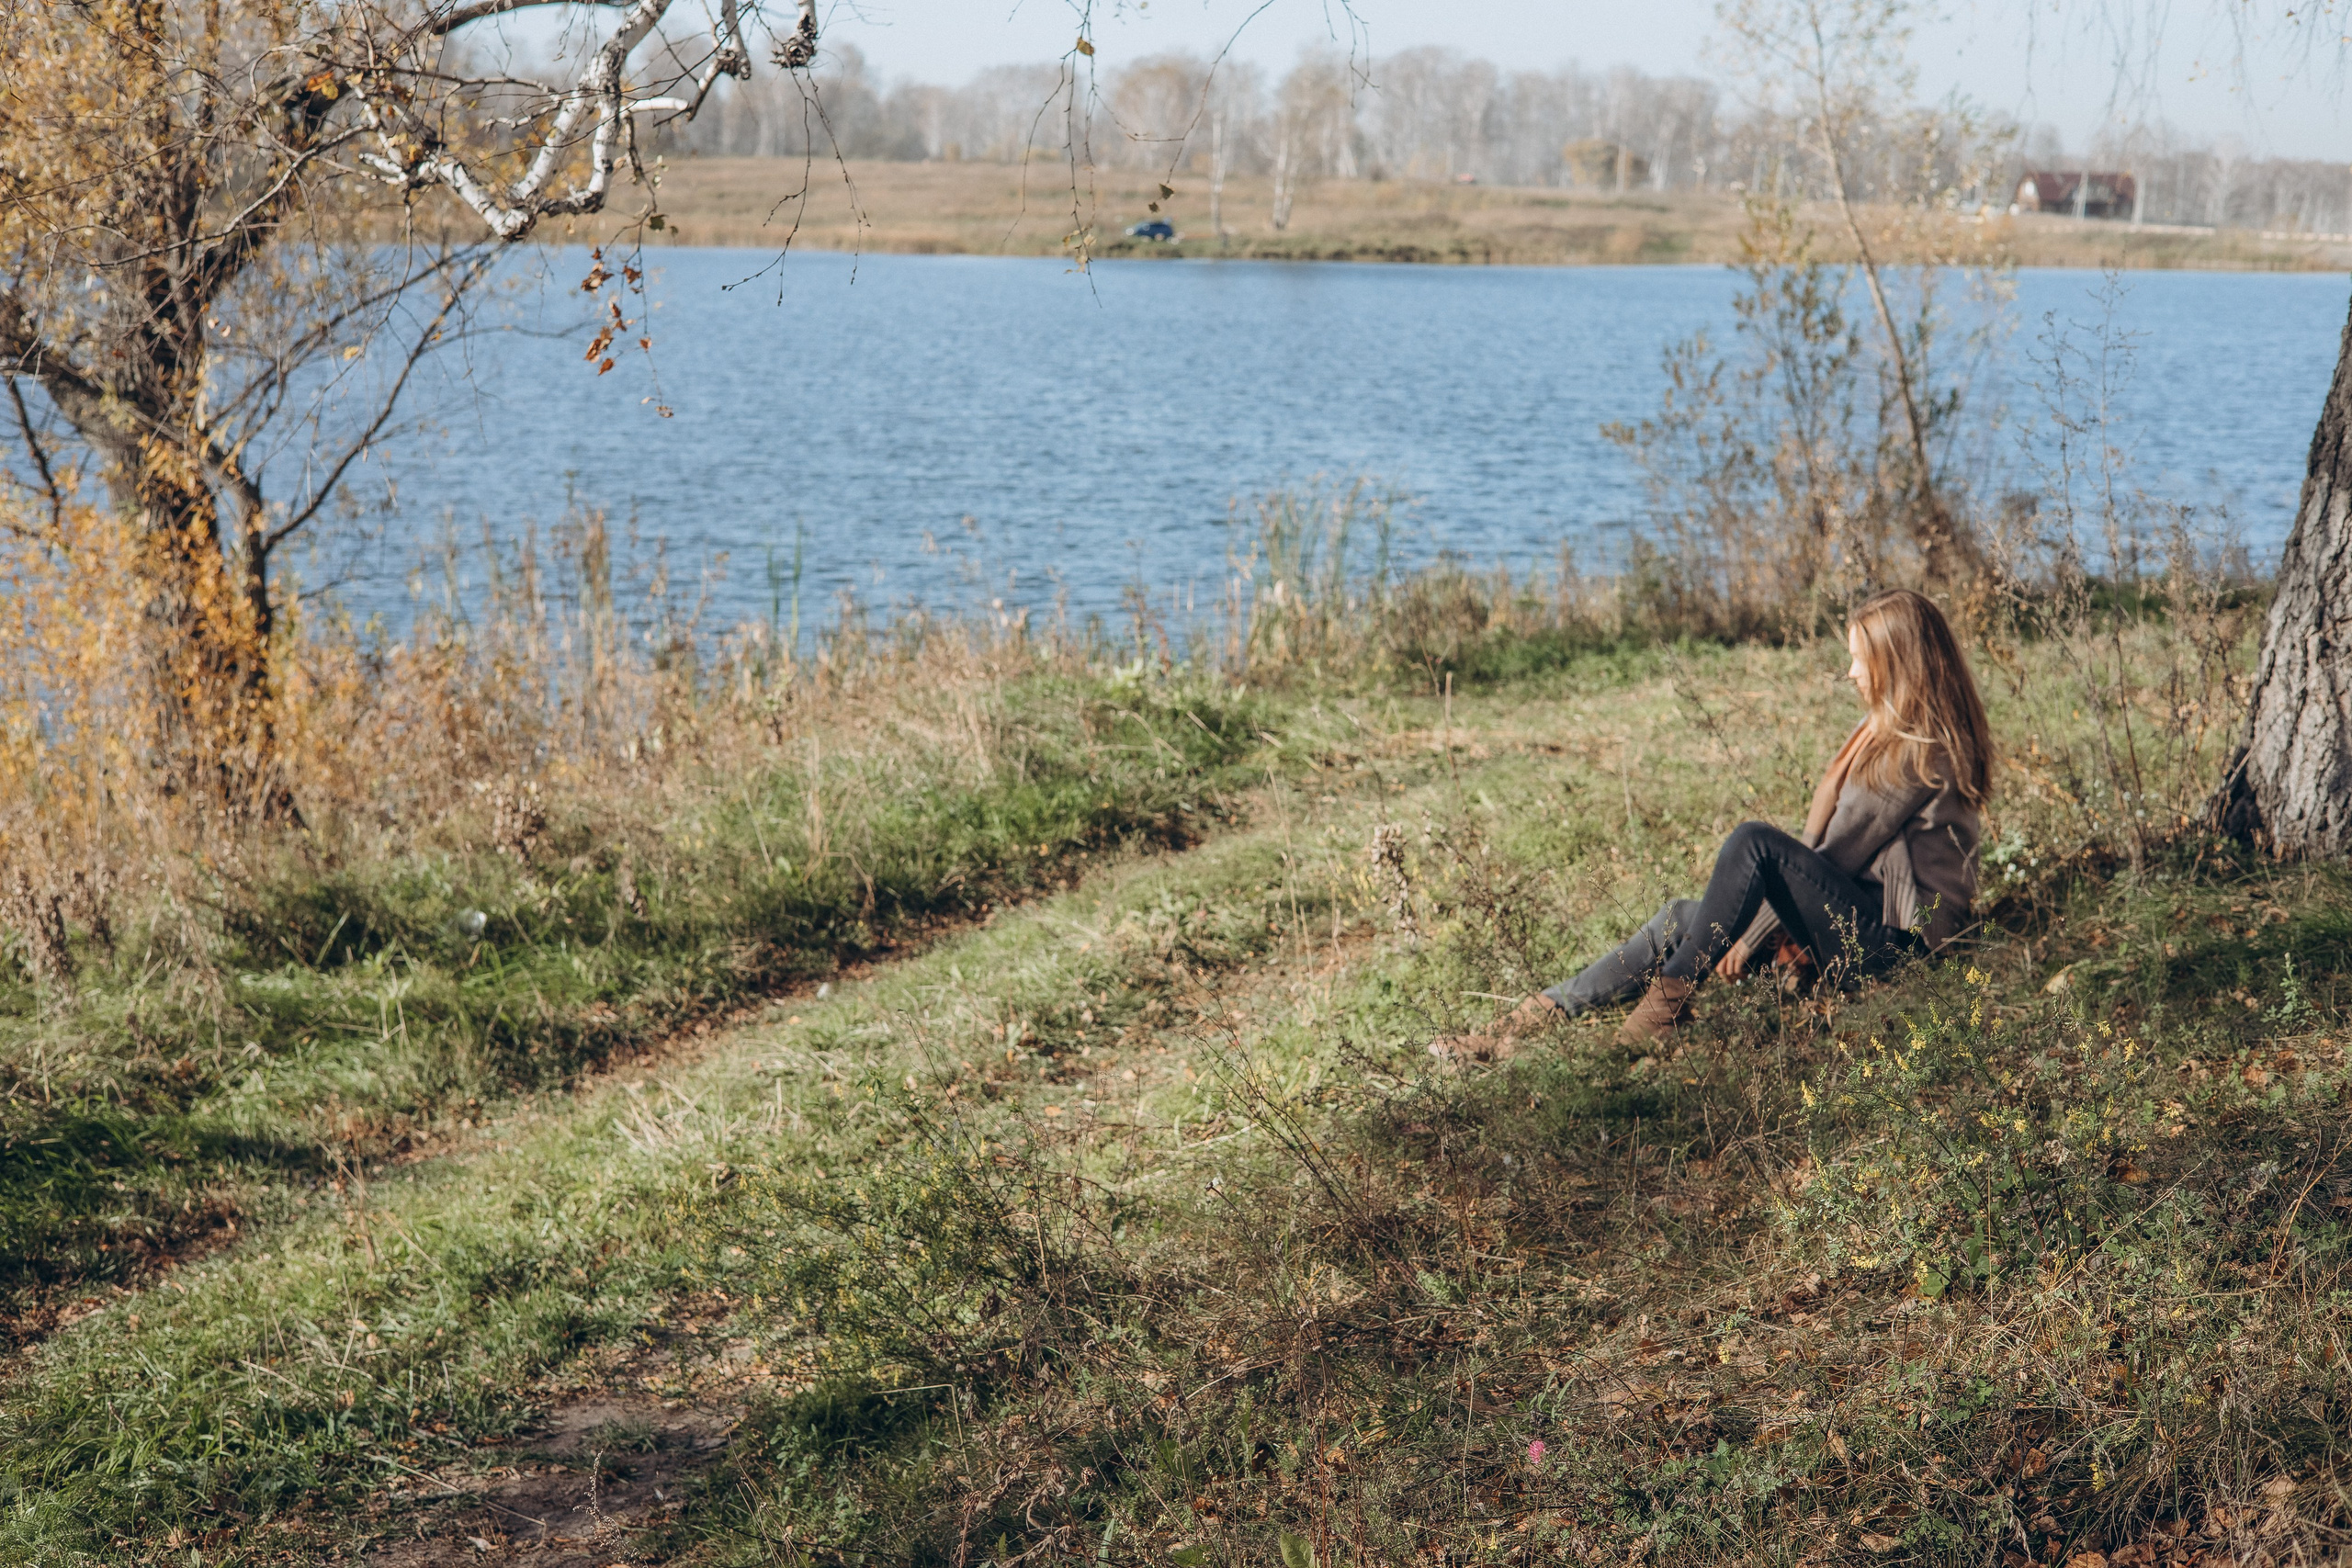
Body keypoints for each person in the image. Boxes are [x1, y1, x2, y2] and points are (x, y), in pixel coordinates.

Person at [1433, 588, 1992, 1063]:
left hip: (1898, 949)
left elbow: (1832, 859)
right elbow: (1825, 870)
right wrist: (1747, 929)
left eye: (1860, 660)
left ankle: (1662, 1010)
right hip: (1860, 922)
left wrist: (1750, 933)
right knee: (1681, 916)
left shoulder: (1920, 752)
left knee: (1756, 845)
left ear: (1898, 663)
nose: (1850, 673)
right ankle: (1530, 1021)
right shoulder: (1889, 733)